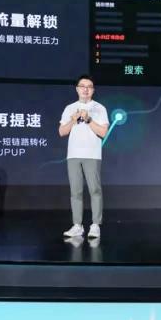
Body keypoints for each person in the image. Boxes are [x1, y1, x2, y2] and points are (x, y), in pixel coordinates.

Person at [58, 75, 109, 238]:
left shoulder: (99, 108)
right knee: (76, 191)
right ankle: (77, 225)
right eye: (82, 86)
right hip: (73, 155)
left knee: (95, 190)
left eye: (89, 86)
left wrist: (88, 119)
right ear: (77, 89)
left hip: (92, 154)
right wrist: (73, 120)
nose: (85, 89)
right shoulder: (69, 108)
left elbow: (103, 132)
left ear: (93, 90)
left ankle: (95, 225)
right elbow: (62, 132)